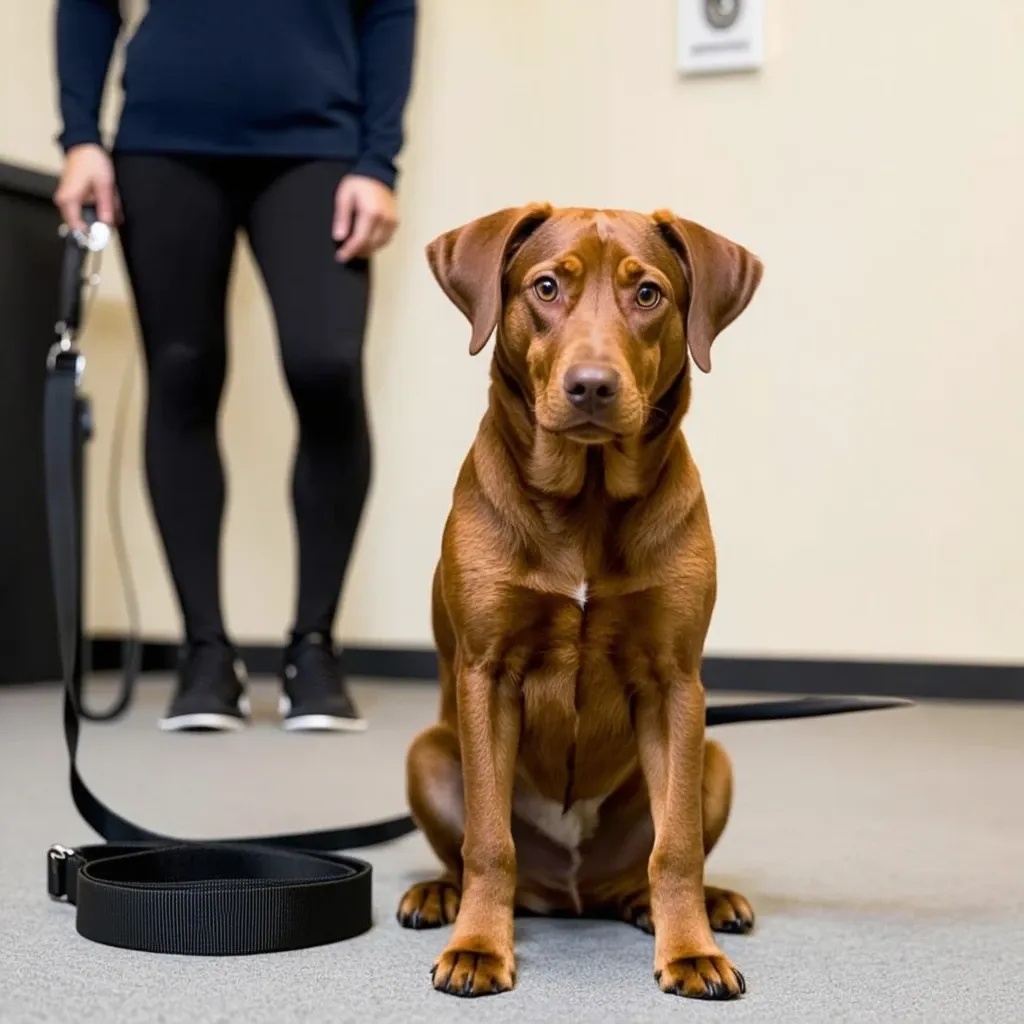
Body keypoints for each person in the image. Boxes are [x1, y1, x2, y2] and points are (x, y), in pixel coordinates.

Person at [53, 0, 417, 733]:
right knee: (183, 371)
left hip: (320, 143)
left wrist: (378, 161)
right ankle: (205, 653)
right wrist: (82, 138)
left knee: (326, 365)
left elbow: (389, 9)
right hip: (165, 138)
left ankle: (313, 649)